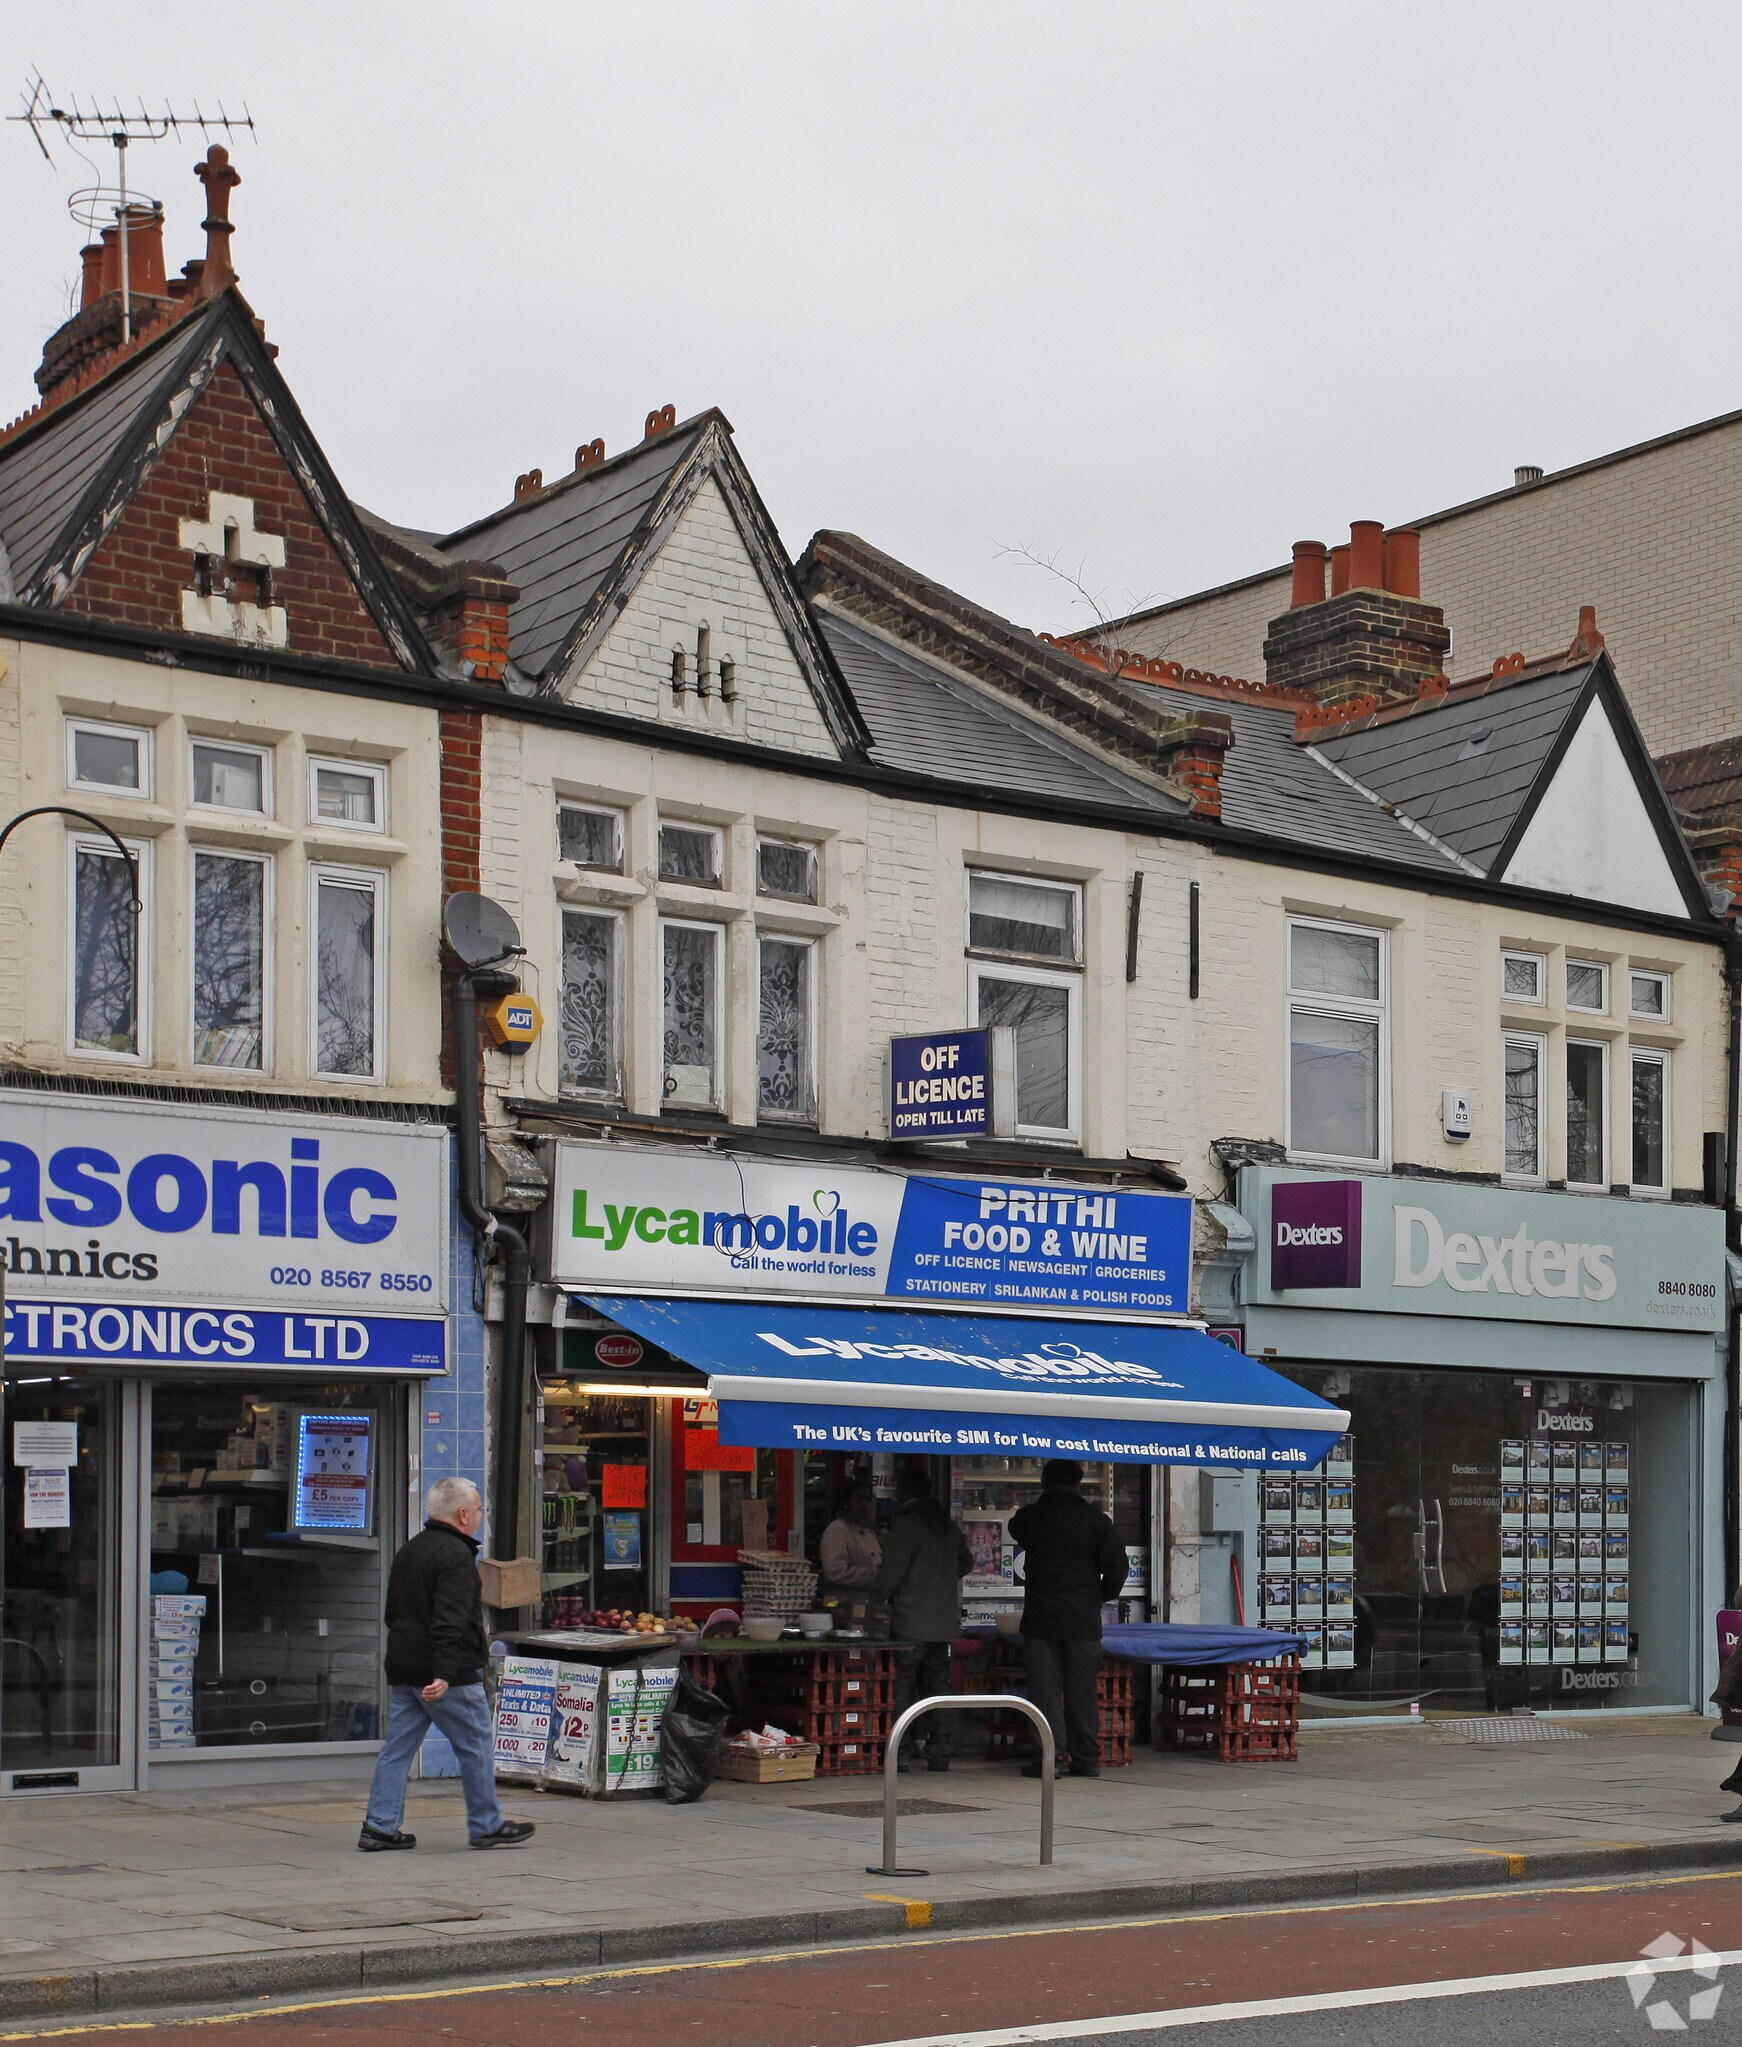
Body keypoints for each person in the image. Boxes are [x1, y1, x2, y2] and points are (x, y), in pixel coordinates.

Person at [359, 1476, 536, 1852]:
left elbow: (394, 1613)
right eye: (477, 1509)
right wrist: (442, 1672)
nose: (479, 1515)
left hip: (405, 1667)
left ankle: (379, 1826)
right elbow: (450, 1620)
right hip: (447, 1675)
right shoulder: (455, 1556)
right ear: (462, 1514)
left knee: (397, 1749)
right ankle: (486, 1824)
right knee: (475, 1745)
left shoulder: (410, 1550)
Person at [1009, 1460, 1126, 1779]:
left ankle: (1051, 1758)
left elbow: (1015, 1528)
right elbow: (1117, 1569)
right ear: (1079, 1483)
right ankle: (1087, 1759)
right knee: (1082, 1691)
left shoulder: (1031, 1518)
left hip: (1041, 1619)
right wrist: (1096, 1595)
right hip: (1082, 1621)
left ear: (1044, 1481)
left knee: (1044, 1692)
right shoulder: (1096, 1521)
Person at [873, 1465, 974, 1772]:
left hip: (910, 1622)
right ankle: (940, 1754)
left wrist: (872, 1600)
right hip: (942, 1626)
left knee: (901, 1687)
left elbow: (890, 1574)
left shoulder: (907, 1525)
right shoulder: (946, 1526)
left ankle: (899, 1753)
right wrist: (941, 1578)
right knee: (939, 1689)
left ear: (902, 1491)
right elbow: (967, 1562)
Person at [818, 1480, 882, 1602]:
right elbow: (834, 1572)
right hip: (843, 1606)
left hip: (868, 1605)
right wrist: (874, 1574)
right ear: (846, 1503)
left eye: (868, 1500)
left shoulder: (869, 1532)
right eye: (858, 1500)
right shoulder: (837, 1529)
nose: (864, 1504)